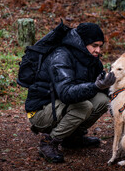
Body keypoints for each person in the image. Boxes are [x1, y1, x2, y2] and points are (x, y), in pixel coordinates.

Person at [25, 22, 116, 163]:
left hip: (60, 106)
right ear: (83, 43)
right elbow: (66, 93)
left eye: (100, 46)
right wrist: (96, 86)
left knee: (102, 101)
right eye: (94, 45)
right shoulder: (61, 56)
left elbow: (99, 88)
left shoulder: (91, 59)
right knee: (84, 106)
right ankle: (48, 142)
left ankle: (72, 138)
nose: (98, 50)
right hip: (40, 112)